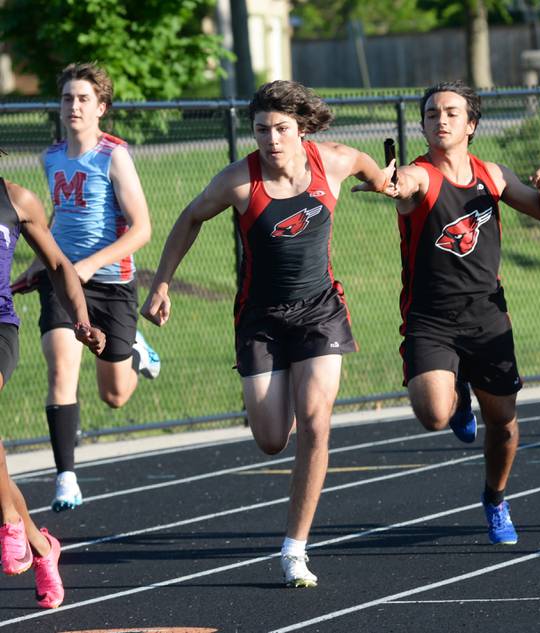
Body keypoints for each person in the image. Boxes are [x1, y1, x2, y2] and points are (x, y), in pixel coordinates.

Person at [140, 80, 397, 588]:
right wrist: (163, 283)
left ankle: (294, 549)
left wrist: (387, 181)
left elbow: (376, 169)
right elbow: (190, 217)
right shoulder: (239, 182)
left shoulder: (336, 161)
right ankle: (289, 416)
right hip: (261, 319)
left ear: (300, 128)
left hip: (321, 311)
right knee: (271, 440)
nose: (272, 139)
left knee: (317, 422)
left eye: (281, 129)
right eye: (261, 130)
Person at [386, 81, 540, 545]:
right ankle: (457, 388)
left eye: (449, 113)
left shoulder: (493, 175)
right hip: (431, 319)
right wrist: (388, 180)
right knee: (433, 416)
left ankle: (495, 498)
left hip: (487, 317)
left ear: (471, 124)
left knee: (503, 424)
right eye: (430, 114)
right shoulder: (420, 174)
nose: (439, 120)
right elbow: (403, 185)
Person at [14, 62, 161, 514]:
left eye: (83, 99)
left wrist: (91, 264)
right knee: (61, 369)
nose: (73, 106)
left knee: (115, 396)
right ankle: (66, 477)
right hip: (63, 280)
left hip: (111, 282)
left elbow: (142, 230)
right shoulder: (52, 157)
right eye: (66, 98)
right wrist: (42, 265)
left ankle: (133, 348)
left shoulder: (114, 155)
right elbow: (58, 221)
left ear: (101, 108)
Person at [0, 175, 105, 609]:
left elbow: (59, 265)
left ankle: (8, 523)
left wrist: (80, 319)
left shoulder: (16, 199)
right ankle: (43, 548)